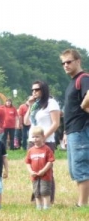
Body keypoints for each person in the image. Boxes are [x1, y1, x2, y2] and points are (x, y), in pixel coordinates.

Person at [60, 48, 89, 207]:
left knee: (81, 168)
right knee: (75, 170)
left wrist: (85, 106)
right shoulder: (73, 81)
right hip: (72, 130)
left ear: (78, 61)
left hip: (81, 129)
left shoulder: (84, 78)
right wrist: (65, 131)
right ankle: (82, 202)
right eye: (63, 63)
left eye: (69, 62)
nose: (65, 65)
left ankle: (82, 205)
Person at [24, 80, 60, 203]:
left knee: (46, 170)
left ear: (43, 90)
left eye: (37, 89)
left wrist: (44, 137)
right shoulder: (35, 105)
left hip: (46, 141)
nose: (34, 92)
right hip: (32, 140)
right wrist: (29, 106)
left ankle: (49, 199)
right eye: (32, 90)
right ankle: (36, 197)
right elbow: (26, 122)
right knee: (34, 168)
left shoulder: (51, 103)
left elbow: (56, 123)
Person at [25, 126, 55, 210]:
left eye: (37, 137)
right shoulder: (31, 150)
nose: (35, 139)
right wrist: (31, 171)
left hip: (45, 175)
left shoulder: (47, 149)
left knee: (45, 191)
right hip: (34, 176)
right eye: (33, 137)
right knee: (37, 192)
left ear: (43, 137)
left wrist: (43, 170)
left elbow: (50, 161)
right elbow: (27, 162)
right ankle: (39, 207)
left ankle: (46, 207)